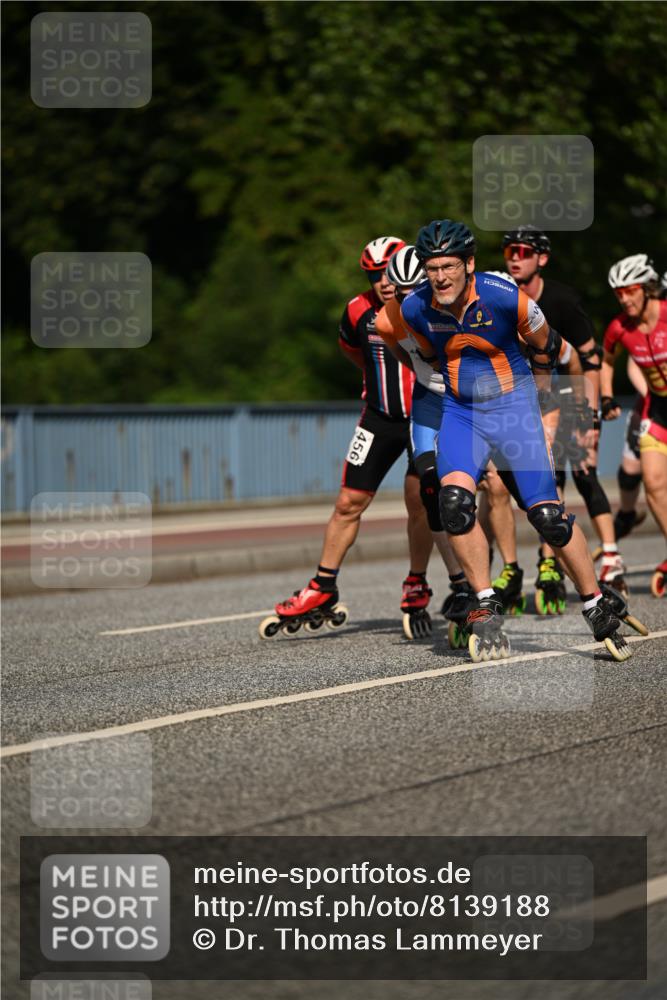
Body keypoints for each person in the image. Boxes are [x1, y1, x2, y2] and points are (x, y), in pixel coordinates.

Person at [400, 218, 633, 662]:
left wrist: (550, 409)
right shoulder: (415, 309)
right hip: (462, 415)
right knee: (452, 504)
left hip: (515, 412)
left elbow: (550, 349)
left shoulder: (505, 295)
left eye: (449, 266)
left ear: (469, 264)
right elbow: (423, 352)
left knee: (547, 517)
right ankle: (485, 600)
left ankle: (593, 601)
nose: (441, 277)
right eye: (432, 269)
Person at [259, 236, 434, 639]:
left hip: (425, 417)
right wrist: (375, 380)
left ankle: (418, 581)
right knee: (348, 502)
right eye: (373, 275)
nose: (382, 282)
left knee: (420, 502)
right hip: (379, 418)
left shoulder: (425, 303)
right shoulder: (356, 310)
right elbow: (353, 351)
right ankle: (323, 585)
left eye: (387, 273)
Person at [484, 226, 625, 607]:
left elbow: (589, 360)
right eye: (508, 250)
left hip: (561, 392)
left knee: (569, 475)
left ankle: (567, 560)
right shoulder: (497, 298)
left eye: (522, 251)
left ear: (541, 258)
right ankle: (507, 568)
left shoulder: (561, 300)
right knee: (494, 488)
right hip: (515, 398)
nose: (513, 257)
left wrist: (588, 418)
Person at [376, 245, 476, 640]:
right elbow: (403, 355)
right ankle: (461, 582)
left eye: (412, 289)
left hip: (471, 399)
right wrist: (427, 378)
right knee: (432, 487)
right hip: (430, 400)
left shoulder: (457, 305)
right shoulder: (387, 321)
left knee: (500, 489)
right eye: (397, 292)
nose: (405, 299)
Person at [602, 253, 667, 598]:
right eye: (618, 293)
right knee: (653, 484)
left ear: (646, 288)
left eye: (630, 291)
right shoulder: (619, 327)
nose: (624, 299)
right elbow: (607, 360)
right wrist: (608, 396)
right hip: (657, 409)